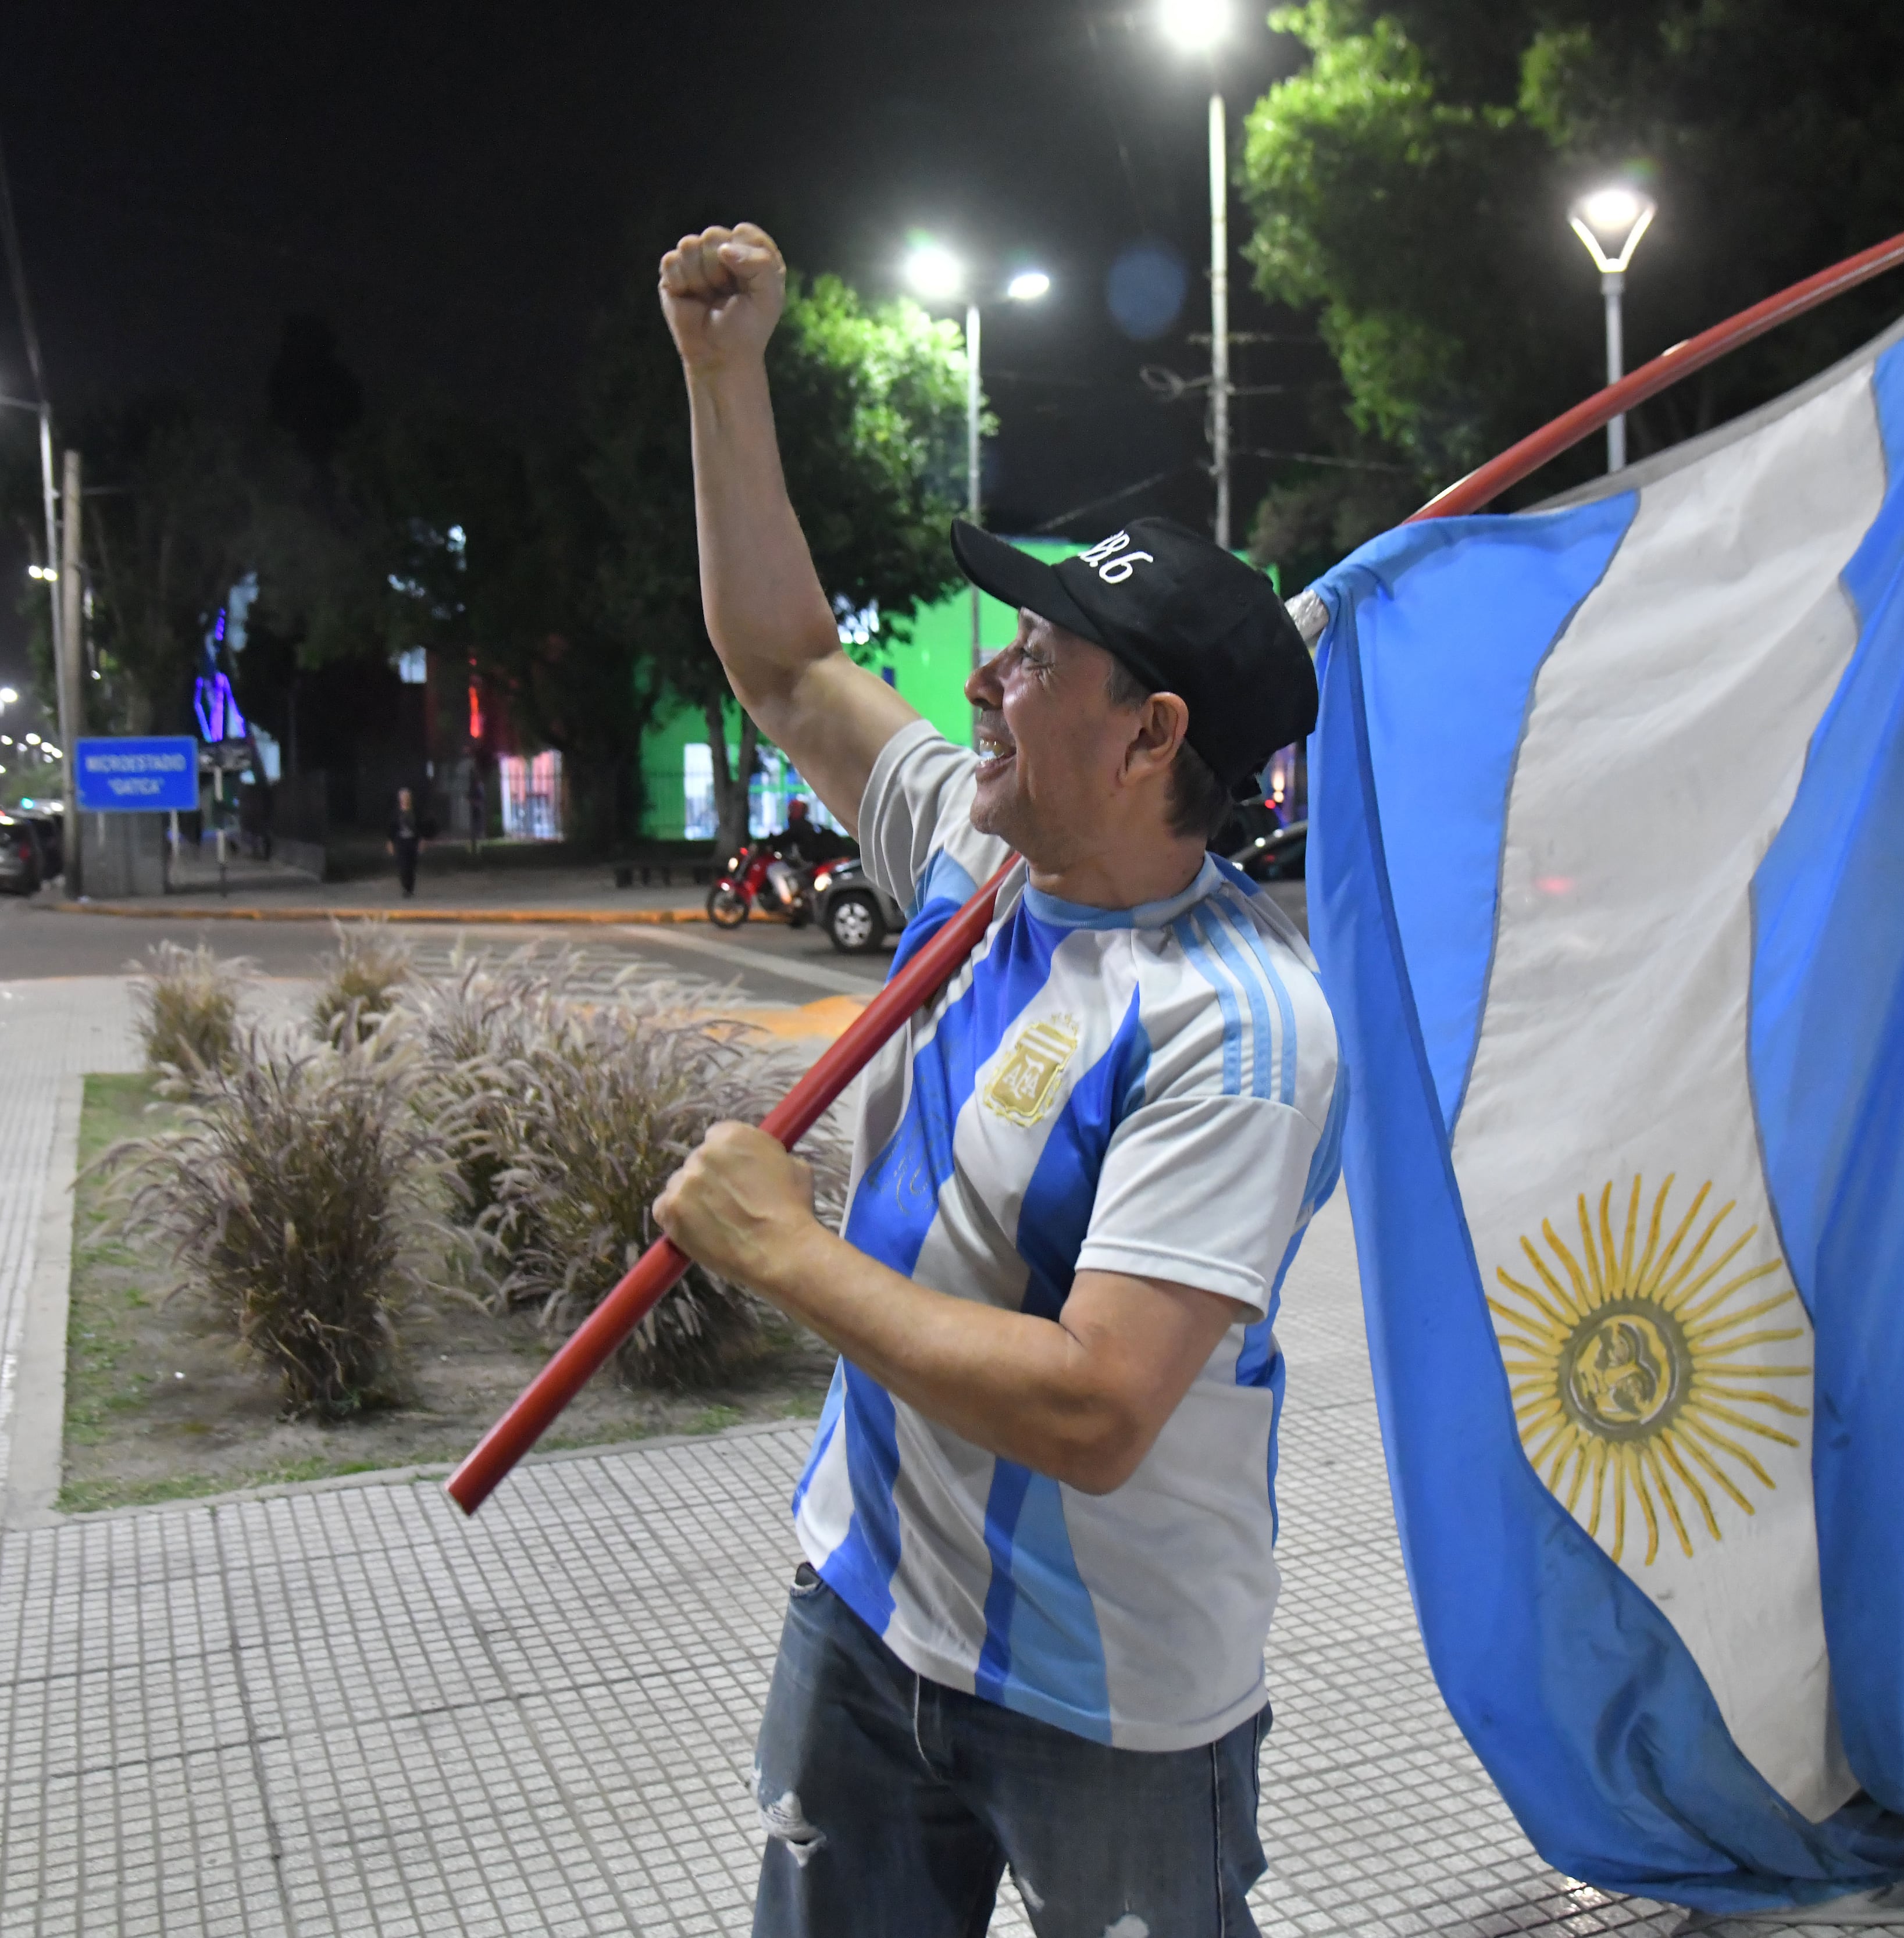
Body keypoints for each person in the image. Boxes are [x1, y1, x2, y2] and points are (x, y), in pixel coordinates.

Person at [648, 222, 1343, 1938]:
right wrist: (724, 375)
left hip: (1112, 1701)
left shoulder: (1240, 1024)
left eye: (1033, 657)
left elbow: (1095, 1410)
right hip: (865, 1606)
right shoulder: (979, 849)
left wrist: (783, 1252)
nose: (981, 678)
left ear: (1152, 734)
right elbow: (786, 667)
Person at [388, 786, 433, 898]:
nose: (405, 799)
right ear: (400, 799)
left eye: (407, 797)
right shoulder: (396, 813)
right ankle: (405, 887)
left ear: (410, 798)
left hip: (413, 841)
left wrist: (423, 840)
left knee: (411, 866)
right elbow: (392, 828)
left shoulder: (416, 812)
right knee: (403, 866)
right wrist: (391, 842)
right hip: (401, 842)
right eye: (403, 797)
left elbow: (421, 827)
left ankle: (410, 889)